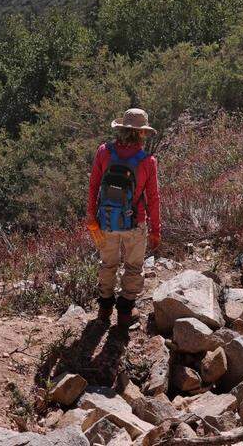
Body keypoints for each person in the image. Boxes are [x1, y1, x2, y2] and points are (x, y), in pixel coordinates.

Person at [86, 108, 161, 327]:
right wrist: (156, 230)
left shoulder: (104, 152)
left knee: (107, 264)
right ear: (142, 133)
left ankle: (104, 309)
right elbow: (153, 198)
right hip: (135, 223)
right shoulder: (147, 161)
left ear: (121, 130)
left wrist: (91, 217)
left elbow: (93, 186)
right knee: (133, 267)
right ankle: (126, 314)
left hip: (106, 220)